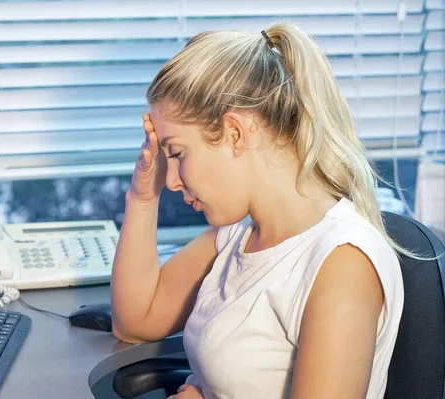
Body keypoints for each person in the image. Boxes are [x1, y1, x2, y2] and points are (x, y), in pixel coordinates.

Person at [110, 23, 405, 399]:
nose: (172, 182)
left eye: (178, 153)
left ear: (235, 133)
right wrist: (142, 196)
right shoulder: (241, 235)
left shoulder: (341, 264)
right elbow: (137, 321)